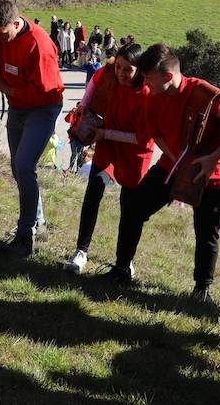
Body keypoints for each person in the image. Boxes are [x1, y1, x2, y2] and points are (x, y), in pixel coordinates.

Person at [106, 43, 220, 299]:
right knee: (134, 208)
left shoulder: (203, 94)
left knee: (206, 233)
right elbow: (157, 133)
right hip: (172, 165)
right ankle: (121, 269)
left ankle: (201, 290)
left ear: (169, 76)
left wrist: (212, 158)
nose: (146, 85)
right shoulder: (154, 96)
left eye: (150, 80)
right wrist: (176, 158)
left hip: (211, 172)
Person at [0, 0, 65, 257]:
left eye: (1, 34)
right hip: (18, 106)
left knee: (24, 165)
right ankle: (39, 222)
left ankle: (24, 237)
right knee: (17, 168)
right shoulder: (5, 33)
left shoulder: (39, 46)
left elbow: (44, 93)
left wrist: (5, 87)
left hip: (42, 109)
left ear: (16, 23)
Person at [64, 42, 152, 274]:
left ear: (140, 70)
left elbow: (142, 139)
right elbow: (94, 81)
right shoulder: (111, 76)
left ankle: (124, 263)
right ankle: (81, 251)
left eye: (128, 70)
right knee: (93, 192)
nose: (121, 74)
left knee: (129, 207)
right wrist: (83, 107)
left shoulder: (147, 94)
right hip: (108, 145)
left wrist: (106, 133)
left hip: (135, 152)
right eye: (119, 67)